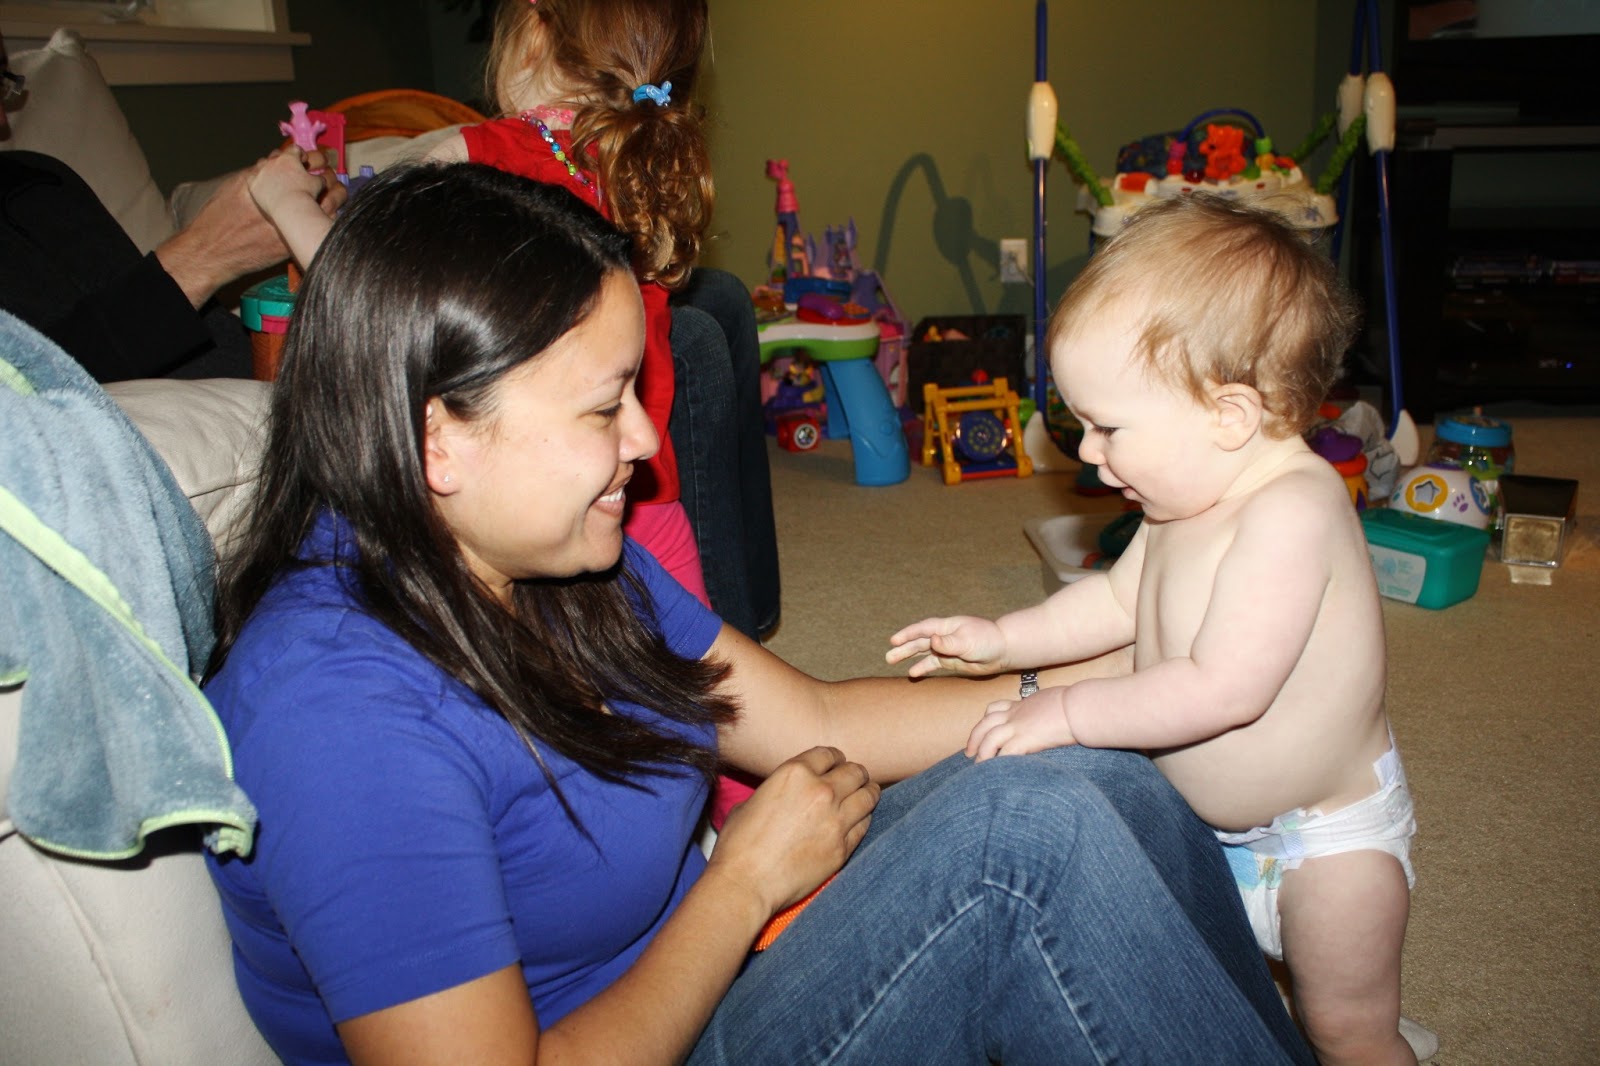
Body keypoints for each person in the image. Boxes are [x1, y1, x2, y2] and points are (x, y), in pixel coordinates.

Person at [203, 161, 1314, 1065]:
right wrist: (738, 887)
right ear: (437, 440)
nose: (645, 441)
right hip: (663, 1018)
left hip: (715, 977)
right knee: (1025, 842)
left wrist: (1086, 689)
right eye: (603, 407)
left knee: (1095, 771)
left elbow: (811, 717)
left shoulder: (555, 566)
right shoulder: (338, 716)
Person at [887, 195, 1419, 1064]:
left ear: (1229, 417)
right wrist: (1003, 639)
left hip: (1322, 845)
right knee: (1212, 999)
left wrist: (1065, 713)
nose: (1087, 453)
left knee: (1345, 1027)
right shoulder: (1183, 499)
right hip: (1199, 830)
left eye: (1108, 427)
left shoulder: (1292, 512)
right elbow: (1113, 602)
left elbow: (1224, 689)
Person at [0, 29, 345, 382]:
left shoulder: (40, 177)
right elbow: (31, 385)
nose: (2, 120)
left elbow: (187, 333)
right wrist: (208, 251)